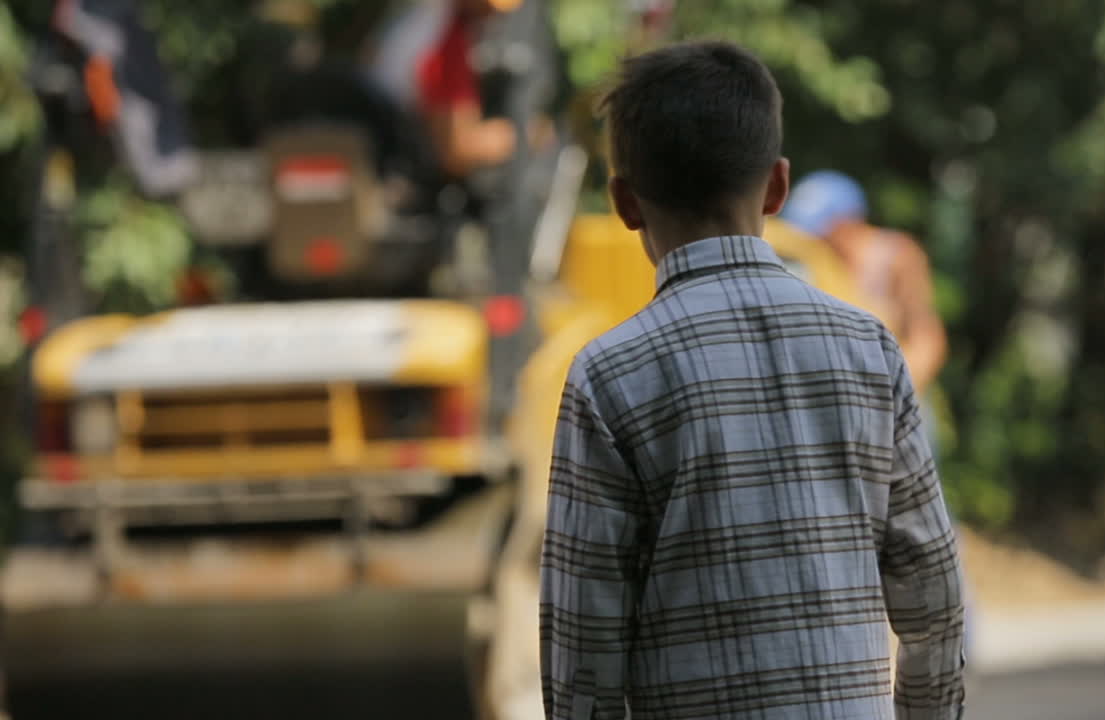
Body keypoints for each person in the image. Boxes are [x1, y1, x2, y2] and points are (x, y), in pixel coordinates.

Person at [539, 41, 965, 720]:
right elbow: (935, 600)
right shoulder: (870, 350)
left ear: (625, 203)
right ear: (777, 186)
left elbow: (583, 643)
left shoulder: (608, 375)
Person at [781, 171, 948, 393]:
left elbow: (927, 339)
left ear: (850, 221)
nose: (815, 242)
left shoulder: (896, 256)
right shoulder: (817, 264)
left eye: (824, 231)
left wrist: (892, 392)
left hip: (895, 397)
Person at [367, 0, 522, 178]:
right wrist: (517, 136)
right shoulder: (446, 39)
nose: (494, 16)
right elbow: (455, 150)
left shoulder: (413, 17)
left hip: (385, 145)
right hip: (400, 168)